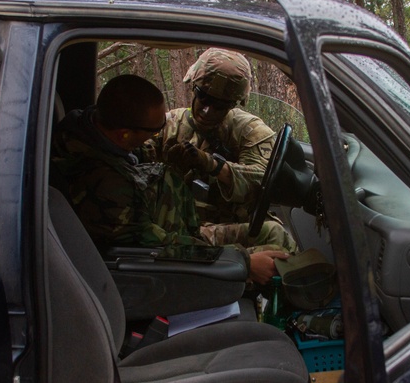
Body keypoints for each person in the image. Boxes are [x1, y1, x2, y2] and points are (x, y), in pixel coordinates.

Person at [49, 74, 288, 285]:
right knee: (277, 253)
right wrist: (246, 263)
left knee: (272, 232)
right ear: (126, 134)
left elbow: (136, 157)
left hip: (171, 231)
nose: (160, 131)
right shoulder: (105, 186)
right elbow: (162, 249)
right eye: (154, 130)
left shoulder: (93, 133)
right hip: (162, 267)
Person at [147, 47, 297, 252]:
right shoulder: (167, 126)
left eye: (219, 105)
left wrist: (213, 165)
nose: (207, 110)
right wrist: (170, 170)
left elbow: (262, 181)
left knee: (276, 236)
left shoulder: (248, 131)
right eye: (203, 97)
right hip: (178, 229)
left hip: (231, 224)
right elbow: (134, 173)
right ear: (194, 87)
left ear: (234, 104)